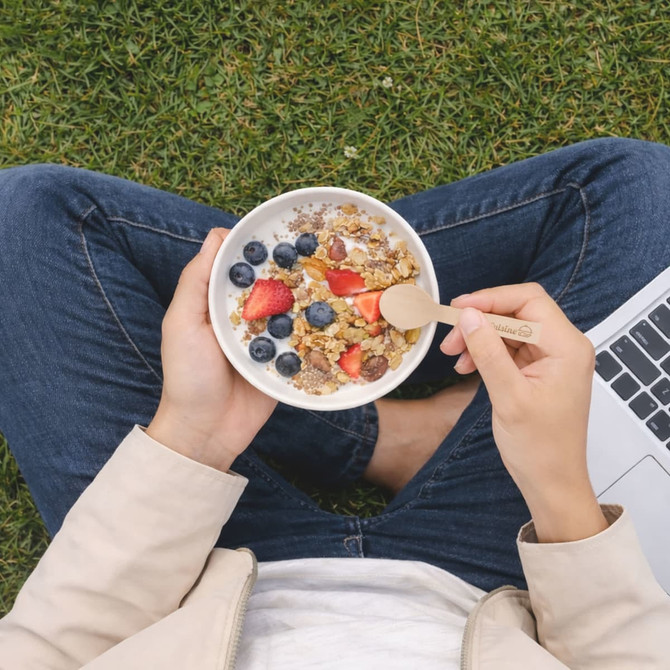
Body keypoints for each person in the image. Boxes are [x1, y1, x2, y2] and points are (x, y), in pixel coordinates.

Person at [0, 137, 669, 669]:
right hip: (495, 581)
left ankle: (378, 438)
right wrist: (558, 487)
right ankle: (391, 440)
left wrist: (191, 440)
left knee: (27, 218)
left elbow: (52, 646)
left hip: (190, 579)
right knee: (639, 191)